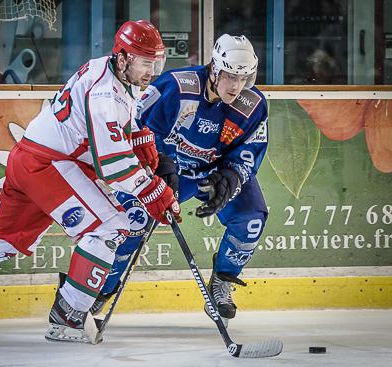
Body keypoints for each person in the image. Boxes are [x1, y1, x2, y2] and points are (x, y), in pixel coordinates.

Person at [0, 20, 181, 342]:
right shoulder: (105, 94)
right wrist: (153, 192)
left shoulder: (106, 69)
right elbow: (112, 163)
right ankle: (68, 316)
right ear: (123, 57)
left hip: (30, 158)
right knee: (108, 227)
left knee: (1, 241)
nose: (152, 70)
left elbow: (114, 123)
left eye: (157, 62)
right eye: (145, 62)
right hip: (51, 165)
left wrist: (139, 138)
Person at [93, 34, 269, 327]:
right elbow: (138, 125)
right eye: (229, 76)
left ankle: (222, 281)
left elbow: (249, 152)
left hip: (212, 174)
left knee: (251, 219)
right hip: (169, 171)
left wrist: (231, 177)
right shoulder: (177, 87)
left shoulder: (253, 105)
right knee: (131, 223)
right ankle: (104, 286)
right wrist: (159, 162)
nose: (236, 86)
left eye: (244, 78)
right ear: (214, 68)